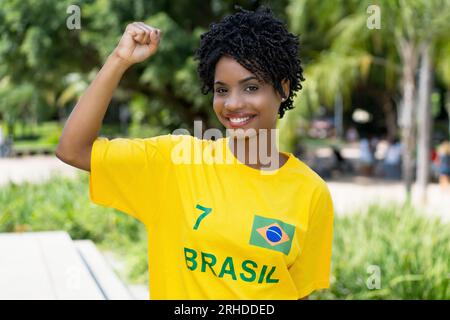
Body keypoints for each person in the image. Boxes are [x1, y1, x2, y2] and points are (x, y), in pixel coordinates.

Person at [56, 7, 334, 300]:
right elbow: (73, 149)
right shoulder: (175, 162)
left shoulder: (311, 192)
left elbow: (297, 294)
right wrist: (119, 60)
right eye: (222, 90)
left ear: (284, 89)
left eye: (251, 87)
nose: (233, 103)